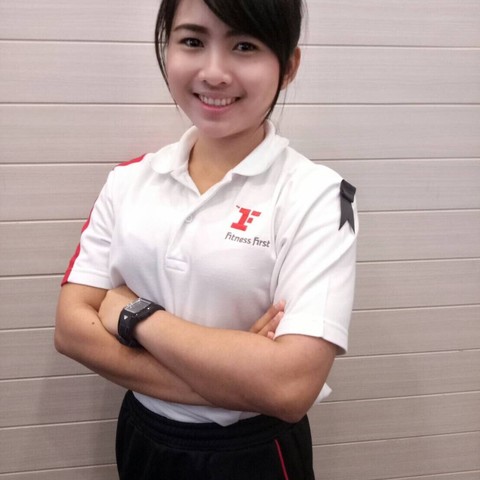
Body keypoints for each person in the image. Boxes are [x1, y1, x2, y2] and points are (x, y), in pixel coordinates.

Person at [54, 0, 358, 478]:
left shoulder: (318, 195)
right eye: (193, 41)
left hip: (254, 451)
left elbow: (289, 388)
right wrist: (239, 376)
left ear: (288, 66)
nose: (214, 73)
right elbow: (71, 330)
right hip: (142, 434)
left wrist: (136, 316)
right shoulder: (128, 180)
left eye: (245, 46)